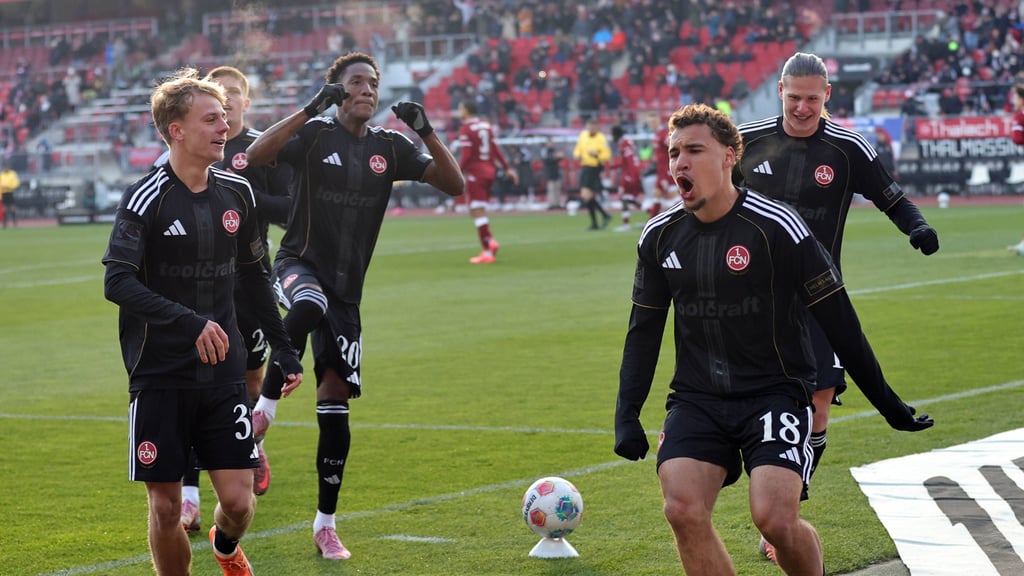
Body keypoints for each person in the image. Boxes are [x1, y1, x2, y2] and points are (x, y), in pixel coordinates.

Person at [614, 103, 934, 576]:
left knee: (776, 520)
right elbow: (643, 331)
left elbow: (842, 325)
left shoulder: (778, 227)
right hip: (698, 398)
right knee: (682, 510)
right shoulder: (659, 236)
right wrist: (627, 414)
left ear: (729, 156)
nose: (680, 162)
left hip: (774, 393)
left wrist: (888, 404)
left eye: (694, 150)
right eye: (673, 151)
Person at [244, 51, 464, 560]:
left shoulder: (390, 147)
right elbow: (256, 156)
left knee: (335, 401)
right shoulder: (314, 136)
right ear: (337, 91)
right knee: (309, 304)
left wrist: (427, 132)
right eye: (356, 83)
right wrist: (306, 109)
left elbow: (455, 185)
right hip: (297, 264)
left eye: (373, 83)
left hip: (349, 293)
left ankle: (325, 525)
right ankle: (263, 415)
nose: (367, 90)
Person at [734, 52, 939, 561]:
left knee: (819, 405)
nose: (803, 108)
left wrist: (916, 226)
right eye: (794, 96)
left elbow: (893, 198)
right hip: (751, 301)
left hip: (820, 298)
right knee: (756, 405)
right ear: (779, 90)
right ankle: (771, 502)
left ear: (828, 96)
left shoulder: (848, 149)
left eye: (812, 98)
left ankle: (783, 517)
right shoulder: (746, 141)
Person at [101, 68, 303, 576]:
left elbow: (256, 277)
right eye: (210, 118)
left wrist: (283, 347)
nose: (224, 125)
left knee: (238, 504)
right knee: (167, 508)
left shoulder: (238, 193)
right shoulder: (145, 197)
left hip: (223, 372)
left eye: (225, 116)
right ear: (177, 130)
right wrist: (190, 323)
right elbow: (117, 282)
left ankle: (226, 546)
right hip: (160, 374)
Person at [176, 65, 296, 535]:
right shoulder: (195, 148)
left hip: (248, 276)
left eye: (232, 95)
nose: (225, 104)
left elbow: (289, 208)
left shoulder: (263, 150)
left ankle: (251, 440)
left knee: (248, 373)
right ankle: (189, 499)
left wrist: (241, 197)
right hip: (196, 286)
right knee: (191, 382)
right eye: (217, 96)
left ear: (247, 101)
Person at [456, 99, 517, 264]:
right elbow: (495, 149)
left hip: (476, 172)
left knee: (477, 209)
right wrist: (507, 168)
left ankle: (488, 248)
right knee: (476, 209)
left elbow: (467, 155)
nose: (459, 110)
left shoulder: (466, 129)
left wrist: (456, 171)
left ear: (466, 110)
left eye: (461, 107)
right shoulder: (486, 126)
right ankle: (489, 241)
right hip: (490, 171)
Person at [572, 116, 612, 230]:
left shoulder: (601, 138)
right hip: (585, 166)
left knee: (586, 194)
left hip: (594, 167)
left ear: (596, 127)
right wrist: (577, 155)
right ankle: (602, 217)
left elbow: (607, 155)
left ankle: (600, 219)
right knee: (588, 196)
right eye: (589, 126)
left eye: (593, 126)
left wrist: (597, 155)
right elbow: (578, 149)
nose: (590, 128)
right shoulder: (583, 135)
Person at [608, 125, 644, 231]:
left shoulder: (624, 144)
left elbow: (630, 161)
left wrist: (632, 176)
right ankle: (627, 223)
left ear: (615, 134)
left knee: (625, 198)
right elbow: (625, 162)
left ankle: (649, 210)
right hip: (631, 174)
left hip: (629, 175)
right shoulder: (626, 142)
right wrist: (612, 166)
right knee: (626, 199)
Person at [644, 111, 672, 218]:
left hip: (667, 171)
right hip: (660, 171)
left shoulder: (663, 134)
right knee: (656, 195)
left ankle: (683, 220)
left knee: (674, 198)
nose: (652, 124)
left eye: (654, 121)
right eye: (650, 122)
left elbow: (672, 146)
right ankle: (652, 221)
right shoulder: (655, 135)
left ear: (659, 121)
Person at [541, 136, 565, 209]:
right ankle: (552, 204)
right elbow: (547, 159)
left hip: (556, 172)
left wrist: (558, 156)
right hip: (549, 172)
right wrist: (555, 156)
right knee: (551, 189)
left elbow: (559, 157)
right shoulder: (544, 150)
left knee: (557, 189)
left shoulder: (553, 150)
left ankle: (557, 203)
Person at [0, 160, 20, 228]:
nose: (5, 168)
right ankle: (4, 223)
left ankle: (14, 222)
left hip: (10, 192)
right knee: (4, 209)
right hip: (4, 193)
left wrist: (8, 186)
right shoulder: (1, 175)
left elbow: (16, 183)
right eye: (4, 167)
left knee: (12, 208)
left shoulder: (12, 174)